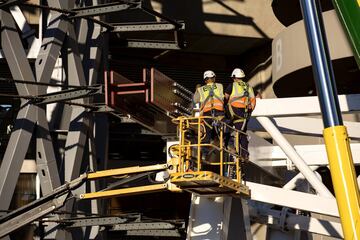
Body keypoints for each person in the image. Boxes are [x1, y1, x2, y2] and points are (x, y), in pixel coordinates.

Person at [193, 70, 225, 163]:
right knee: (223, 132)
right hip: (219, 113)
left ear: (205, 80)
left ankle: (204, 154)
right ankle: (226, 146)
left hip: (207, 114)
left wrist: (197, 90)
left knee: (206, 135)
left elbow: (196, 101)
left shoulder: (201, 89)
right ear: (214, 78)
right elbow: (224, 98)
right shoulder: (220, 86)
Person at [224, 68, 256, 160]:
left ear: (234, 77)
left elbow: (225, 98)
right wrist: (250, 110)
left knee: (225, 127)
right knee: (241, 133)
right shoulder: (248, 86)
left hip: (232, 112)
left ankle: (229, 145)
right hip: (244, 114)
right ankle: (244, 154)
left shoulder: (232, 86)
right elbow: (253, 100)